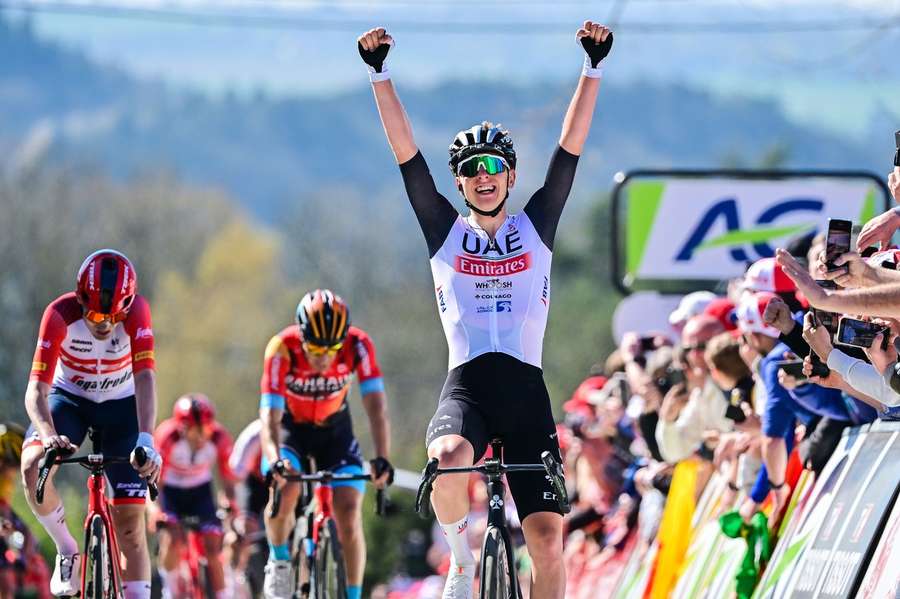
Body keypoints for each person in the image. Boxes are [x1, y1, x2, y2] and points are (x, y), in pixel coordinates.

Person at [358, 19, 613, 599]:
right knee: (447, 460)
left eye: (494, 167)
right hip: (468, 391)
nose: (483, 177)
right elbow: (407, 156)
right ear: (460, 182)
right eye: (471, 170)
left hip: (525, 397)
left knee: (548, 541)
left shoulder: (536, 228)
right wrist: (381, 75)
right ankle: (462, 561)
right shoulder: (444, 231)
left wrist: (591, 69)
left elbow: (569, 150)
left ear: (511, 176)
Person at [19, 249, 161, 599]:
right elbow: (36, 389)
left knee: (130, 529)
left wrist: (146, 438)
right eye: (96, 313)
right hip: (71, 403)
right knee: (32, 466)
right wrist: (49, 436)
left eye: (114, 315)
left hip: (122, 407)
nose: (104, 324)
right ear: (80, 299)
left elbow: (145, 379)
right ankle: (67, 549)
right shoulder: (58, 315)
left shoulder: (138, 313)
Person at [260, 289, 392, 599]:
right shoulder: (281, 348)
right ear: (302, 337)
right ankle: (279, 560)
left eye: (332, 351)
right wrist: (274, 460)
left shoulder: (359, 345)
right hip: (291, 431)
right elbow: (269, 418)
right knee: (286, 487)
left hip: (336, 433)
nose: (323, 360)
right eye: (316, 351)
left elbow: (376, 406)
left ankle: (354, 594)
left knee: (348, 511)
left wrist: (382, 457)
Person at [153, 393, 237, 599]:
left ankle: (222, 594)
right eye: (194, 430)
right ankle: (170, 591)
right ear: (182, 429)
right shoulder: (167, 437)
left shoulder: (219, 438)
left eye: (205, 429)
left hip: (201, 493)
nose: (201, 436)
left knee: (213, 545)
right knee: (172, 539)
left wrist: (230, 504)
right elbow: (154, 483)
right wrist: (155, 511)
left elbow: (228, 480)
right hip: (171, 492)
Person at [0, 422, 50, 599]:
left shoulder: (4, 477)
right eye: (12, 465)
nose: (13, 471)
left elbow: (4, 507)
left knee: (29, 540)